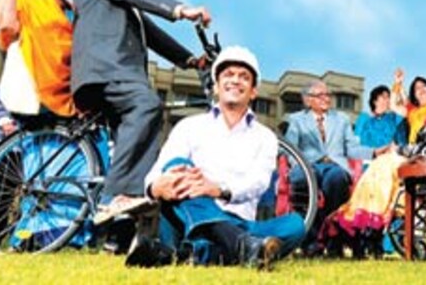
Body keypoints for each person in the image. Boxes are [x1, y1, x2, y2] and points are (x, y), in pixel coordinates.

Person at [71, 0, 211, 226]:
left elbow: (151, 33)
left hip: (118, 71)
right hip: (105, 67)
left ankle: (121, 227)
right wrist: (179, 9)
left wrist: (190, 60)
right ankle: (114, 197)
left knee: (133, 139)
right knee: (147, 105)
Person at [131, 46, 306, 269]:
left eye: (244, 77)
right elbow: (154, 176)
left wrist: (218, 189)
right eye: (228, 75)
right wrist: (157, 187)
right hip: (183, 221)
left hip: (242, 224)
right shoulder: (189, 126)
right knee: (177, 166)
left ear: (253, 91)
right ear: (216, 86)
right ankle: (240, 246)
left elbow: (259, 183)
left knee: (295, 224)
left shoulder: (266, 137)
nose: (235, 81)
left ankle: (186, 253)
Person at [326, 79, 426, 258]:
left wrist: (402, 150)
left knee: (382, 168)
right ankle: (364, 229)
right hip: (417, 165)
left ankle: (360, 229)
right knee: (379, 170)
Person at [284, 80, 390, 255]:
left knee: (337, 180)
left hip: (334, 166)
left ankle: (333, 238)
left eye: (328, 94)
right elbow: (290, 149)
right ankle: (311, 241)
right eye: (321, 95)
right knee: (302, 181)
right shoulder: (296, 120)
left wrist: (374, 152)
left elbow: (352, 148)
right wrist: (299, 165)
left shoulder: (341, 119)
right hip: (307, 165)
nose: (326, 98)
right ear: (308, 100)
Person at [354, 85, 407, 149]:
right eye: (384, 97)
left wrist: (397, 84)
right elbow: (356, 141)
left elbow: (404, 111)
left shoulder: (391, 117)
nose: (387, 100)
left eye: (388, 98)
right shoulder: (365, 118)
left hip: (390, 155)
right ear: (375, 101)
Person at [390, 69, 426, 143]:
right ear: (414, 95)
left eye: (424, 86)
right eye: (417, 88)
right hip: (417, 147)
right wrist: (397, 83)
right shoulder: (412, 112)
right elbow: (393, 105)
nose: (421, 89)